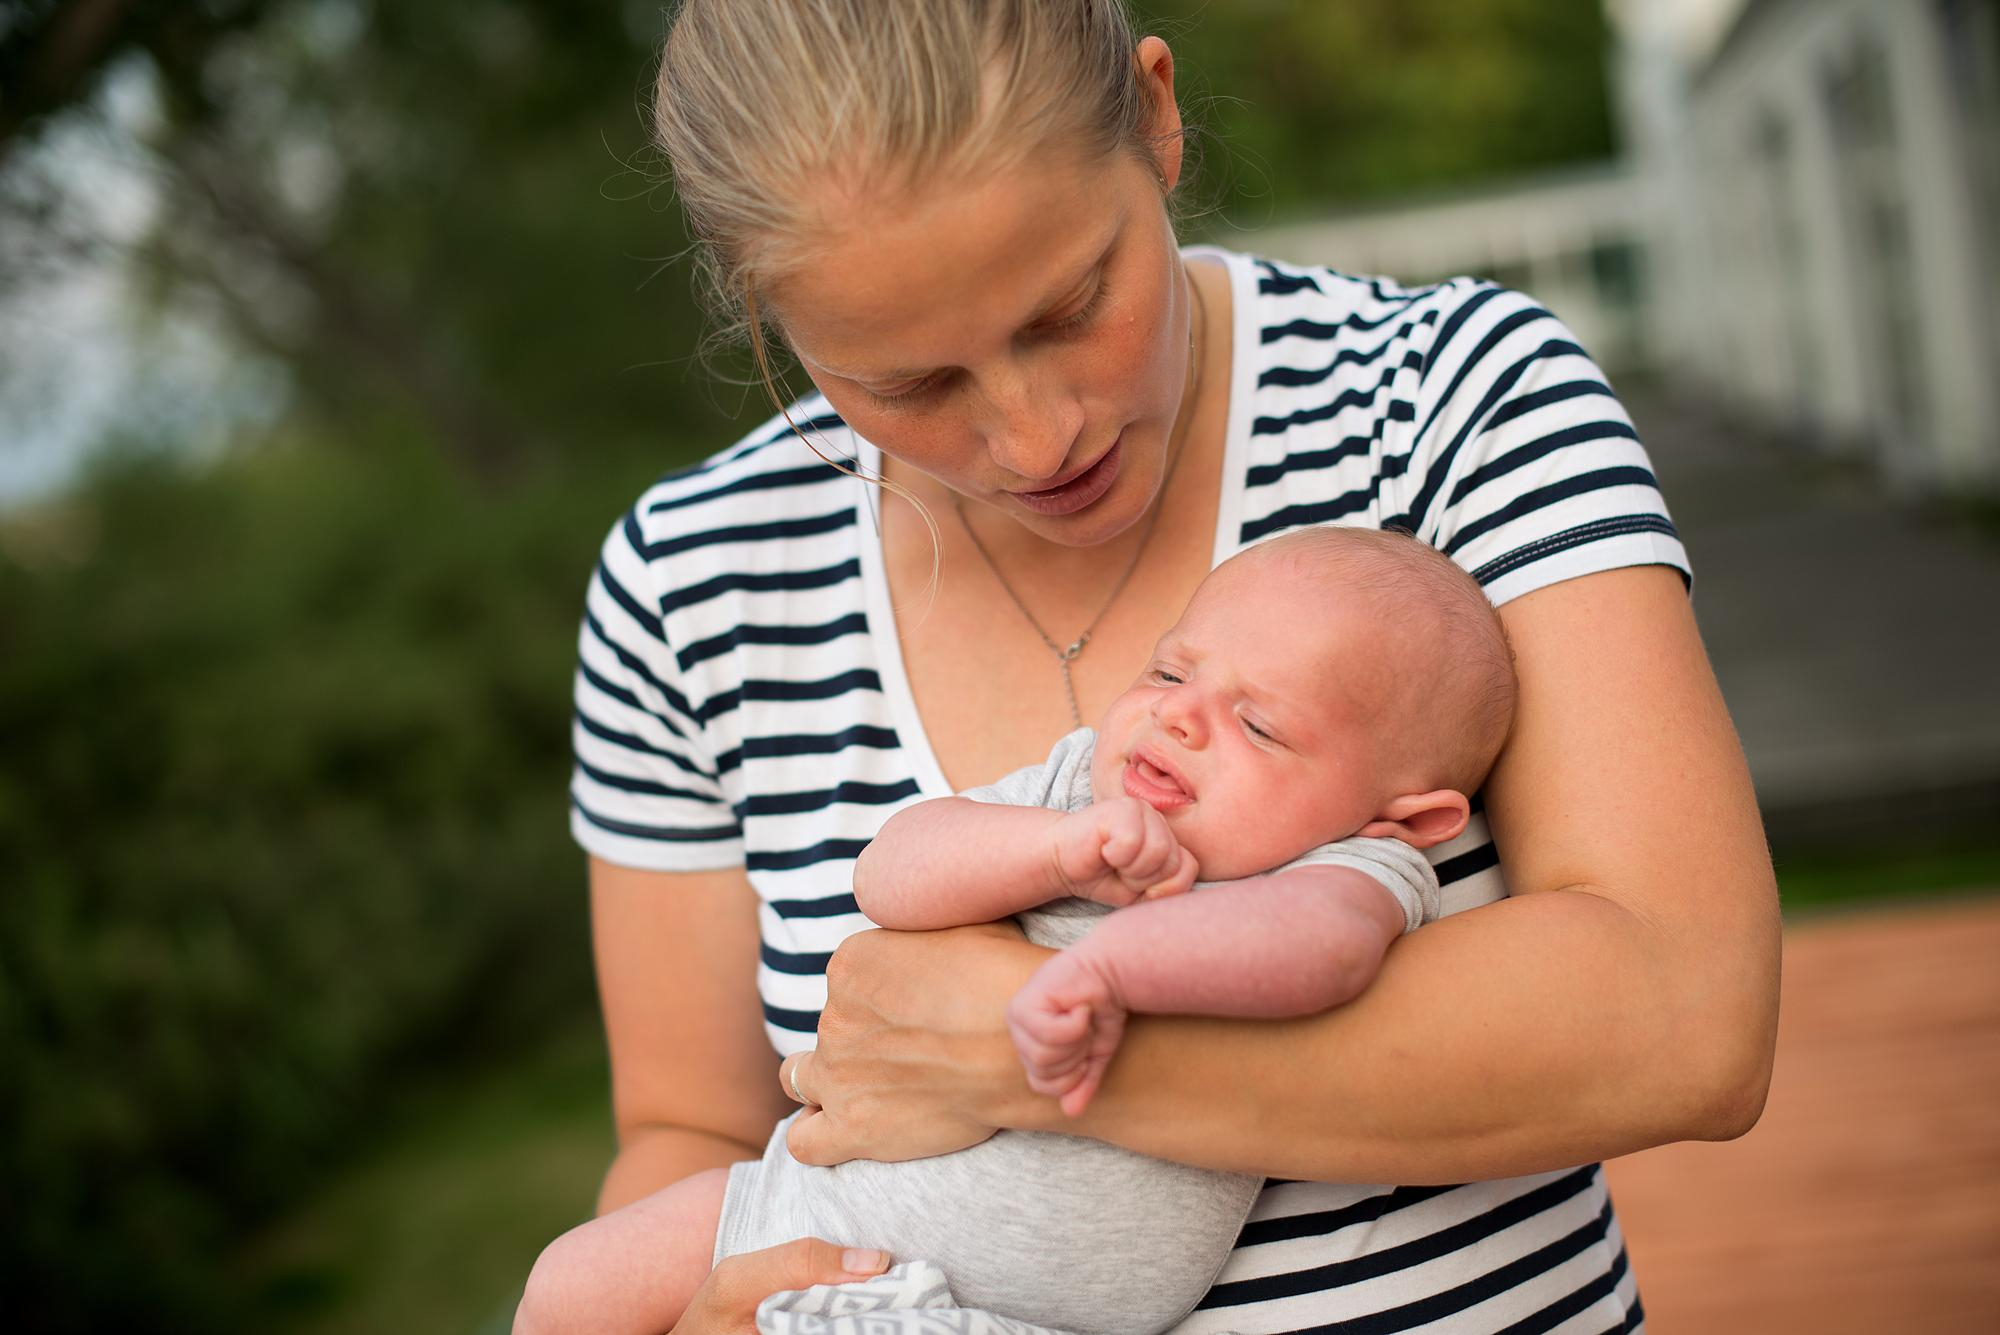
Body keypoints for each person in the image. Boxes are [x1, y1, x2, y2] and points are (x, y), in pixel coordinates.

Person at [568, 3, 1781, 1331]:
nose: (1035, 438)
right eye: (909, 383)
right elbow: (688, 1127)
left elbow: (1685, 1010)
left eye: (1071, 304)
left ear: (1156, 116)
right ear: (769, 310)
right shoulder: (688, 583)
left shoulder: (1453, 401)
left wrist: (1015, 1051)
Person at [524, 528, 1514, 1334]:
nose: (1179, 721)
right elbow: (892, 872)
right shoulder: (1075, 790)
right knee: (573, 1284)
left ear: (1404, 817)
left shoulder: (1345, 864)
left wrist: (1106, 972)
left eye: (1259, 727)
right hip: (805, 1212)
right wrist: (1054, 852)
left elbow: (1318, 953)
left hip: (1028, 1310)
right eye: (1170, 673)